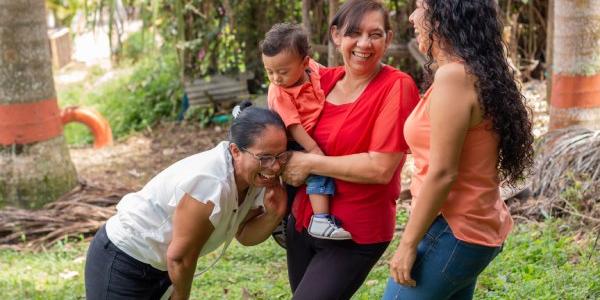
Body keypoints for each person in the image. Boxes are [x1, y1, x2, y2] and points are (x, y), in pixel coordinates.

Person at [383, 0, 534, 299]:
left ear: (443, 17)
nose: (413, 17)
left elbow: (442, 173)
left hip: (453, 228)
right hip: (475, 226)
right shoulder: (473, 72)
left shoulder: (454, 77)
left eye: (419, 8)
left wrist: (407, 244)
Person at [281, 0, 421, 298]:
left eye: (375, 34)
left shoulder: (396, 86)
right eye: (353, 33)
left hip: (355, 232)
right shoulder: (323, 82)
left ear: (389, 39)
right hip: (302, 223)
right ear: (336, 36)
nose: (363, 44)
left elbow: (380, 168)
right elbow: (277, 89)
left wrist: (308, 163)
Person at [84, 102, 289, 300]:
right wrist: (181, 296)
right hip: (124, 258)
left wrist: (273, 215)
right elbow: (180, 257)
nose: (274, 167)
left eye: (281, 156)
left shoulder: (253, 178)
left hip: (160, 266)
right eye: (265, 157)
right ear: (235, 151)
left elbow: (244, 234)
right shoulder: (209, 185)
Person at [262, 23, 351, 240]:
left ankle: (284, 221)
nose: (275, 78)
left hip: (308, 134)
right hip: (294, 140)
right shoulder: (279, 92)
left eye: (282, 71)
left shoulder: (312, 69)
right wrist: (313, 150)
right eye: (269, 71)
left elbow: (331, 75)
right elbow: (292, 125)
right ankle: (320, 219)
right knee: (317, 171)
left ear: (304, 62)